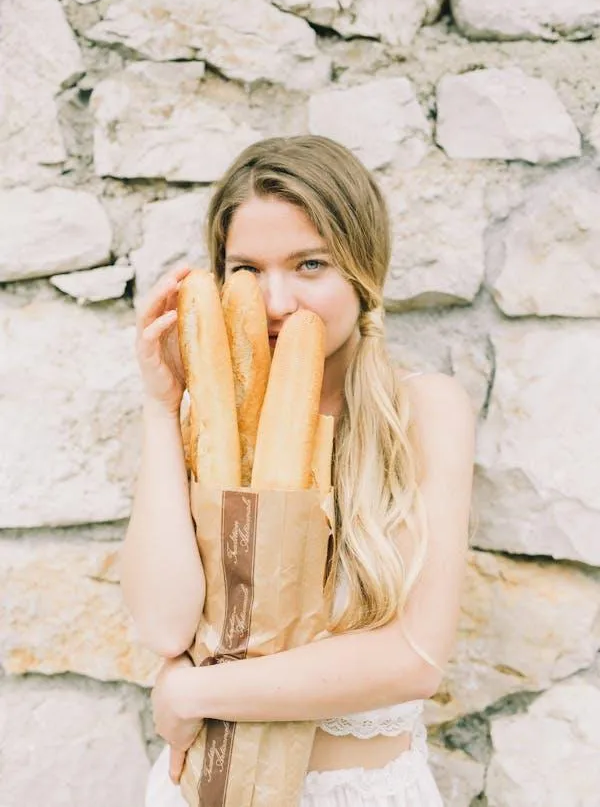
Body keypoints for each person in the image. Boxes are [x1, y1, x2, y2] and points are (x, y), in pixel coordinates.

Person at [120, 135, 475, 806]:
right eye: (247, 269)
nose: (277, 300)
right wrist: (161, 408)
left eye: (310, 263)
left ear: (363, 270)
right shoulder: (206, 415)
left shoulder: (423, 410)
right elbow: (166, 624)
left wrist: (192, 689)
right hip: (203, 791)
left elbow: (414, 658)